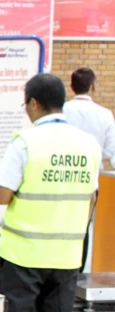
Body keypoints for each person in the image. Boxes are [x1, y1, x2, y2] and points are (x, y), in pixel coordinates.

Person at [0, 73, 100, 312]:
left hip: (22, 253)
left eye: (25, 104)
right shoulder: (88, 144)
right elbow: (92, 198)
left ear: (34, 103)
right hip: (67, 253)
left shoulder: (26, 142)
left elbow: (1, 194)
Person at [62, 67, 114, 271]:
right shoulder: (104, 114)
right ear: (93, 86)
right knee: (82, 228)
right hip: (89, 181)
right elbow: (111, 151)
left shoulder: (62, 110)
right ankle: (77, 272)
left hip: (61, 176)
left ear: (71, 86)